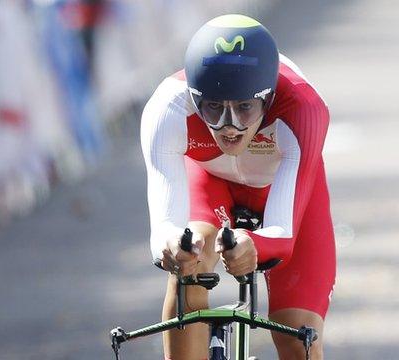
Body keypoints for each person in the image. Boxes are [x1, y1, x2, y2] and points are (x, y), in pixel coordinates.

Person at [140, 14, 335, 359]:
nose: (229, 127)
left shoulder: (304, 108)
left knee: (296, 334)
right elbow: (164, 231)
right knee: (190, 266)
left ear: (269, 98)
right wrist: (174, 248)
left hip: (280, 189)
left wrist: (253, 244)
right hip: (210, 180)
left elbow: (283, 235)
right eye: (213, 108)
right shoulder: (167, 107)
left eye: (245, 108)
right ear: (194, 97)